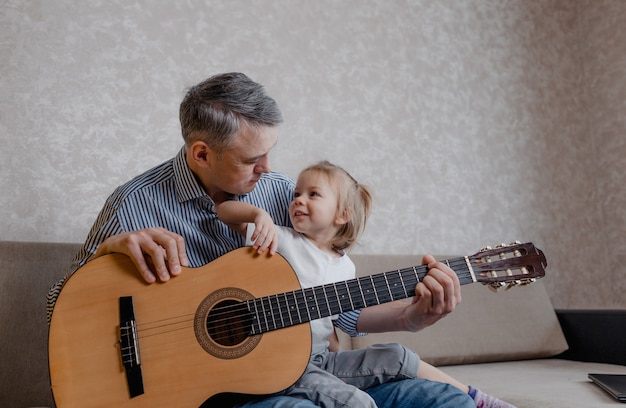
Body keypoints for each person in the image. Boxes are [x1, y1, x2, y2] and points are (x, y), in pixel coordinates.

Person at [46, 72, 480, 408]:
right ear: (202, 154)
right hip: (200, 394)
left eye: (271, 152)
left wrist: (413, 318)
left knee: (443, 400)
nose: (268, 169)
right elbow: (57, 311)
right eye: (253, 159)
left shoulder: (282, 196)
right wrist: (106, 253)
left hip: (299, 374)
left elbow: (336, 304)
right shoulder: (133, 205)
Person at [217, 160, 516, 408]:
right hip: (289, 367)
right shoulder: (282, 239)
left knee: (397, 355)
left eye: (313, 194)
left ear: (342, 215)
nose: (298, 199)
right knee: (358, 404)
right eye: (297, 192)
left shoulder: (344, 266)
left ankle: (476, 400)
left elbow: (352, 319)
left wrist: (410, 316)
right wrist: (258, 215)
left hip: (324, 361)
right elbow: (223, 212)